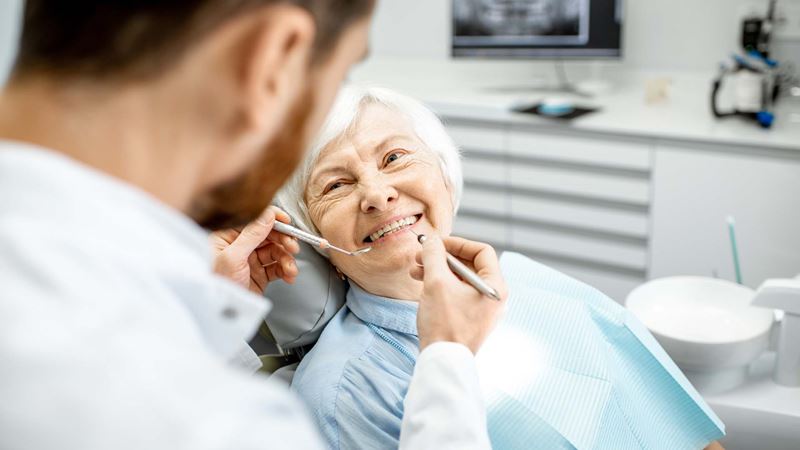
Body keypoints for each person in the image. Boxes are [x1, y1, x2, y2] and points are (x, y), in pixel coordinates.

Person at [0, 2, 506, 449]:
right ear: (273, 58)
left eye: (395, 156)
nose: (376, 194)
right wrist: (448, 359)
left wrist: (202, 313)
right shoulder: (225, 423)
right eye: (342, 73)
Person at [278, 86, 727, 450]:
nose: (377, 194)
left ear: (445, 176)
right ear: (315, 239)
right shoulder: (342, 393)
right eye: (336, 185)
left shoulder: (532, 282)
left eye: (394, 158)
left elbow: (677, 427)